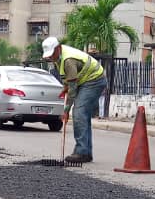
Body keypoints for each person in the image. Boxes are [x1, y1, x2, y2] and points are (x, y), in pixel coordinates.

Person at [41, 36, 107, 164]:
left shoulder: (68, 61)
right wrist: (66, 87)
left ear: (58, 48)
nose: (50, 58)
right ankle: (86, 152)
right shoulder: (58, 57)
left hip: (94, 80)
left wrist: (65, 111)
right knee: (83, 115)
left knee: (79, 113)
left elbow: (73, 89)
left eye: (52, 54)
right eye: (48, 55)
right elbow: (69, 80)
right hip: (84, 80)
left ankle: (81, 152)